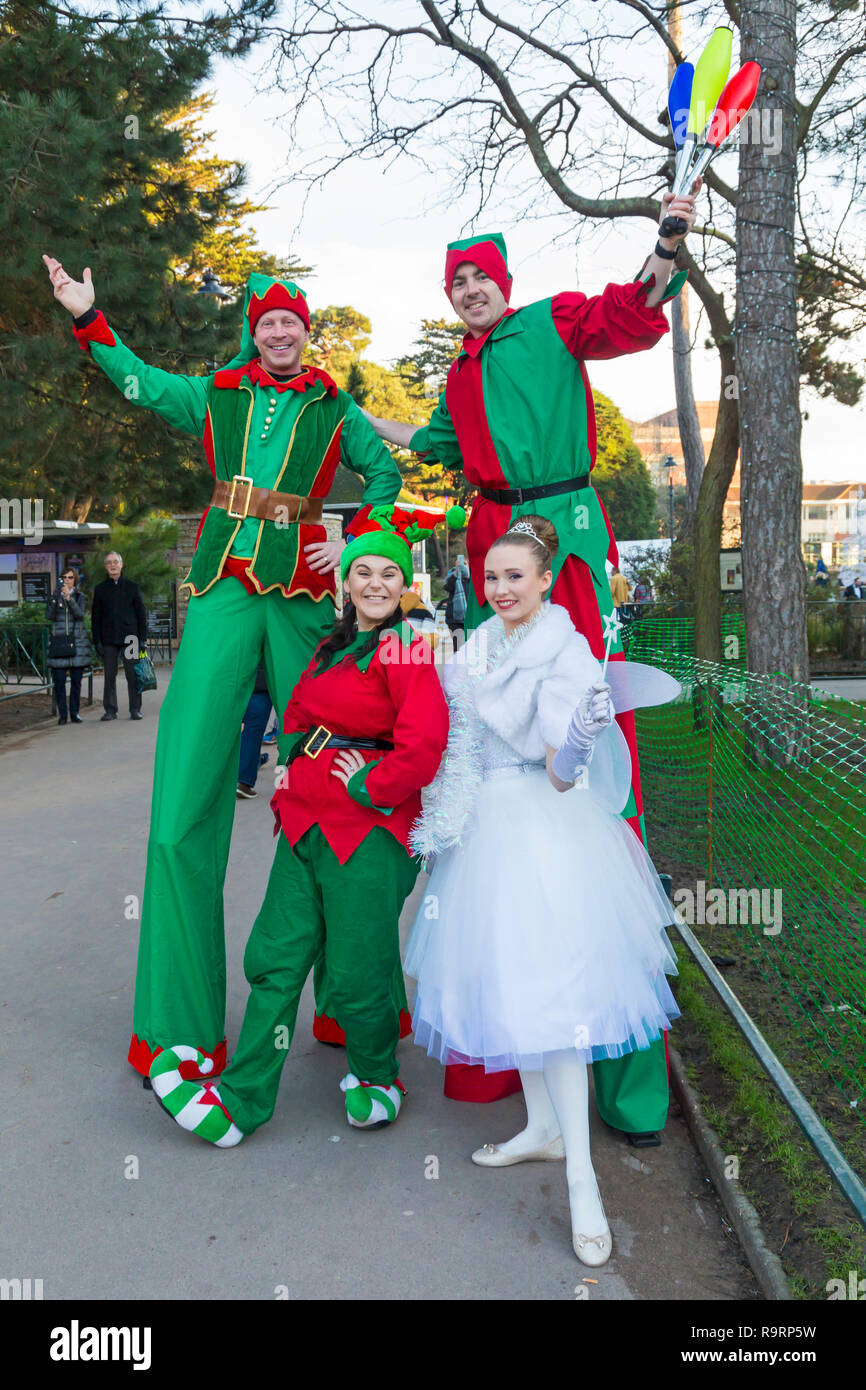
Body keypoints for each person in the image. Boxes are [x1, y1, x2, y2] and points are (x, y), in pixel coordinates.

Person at [362, 184, 698, 1129]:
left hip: (566, 548)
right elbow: (426, 441)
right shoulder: (457, 379)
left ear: (505, 284)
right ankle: (508, 1041)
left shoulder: (553, 321)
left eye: (482, 277)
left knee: (592, 755)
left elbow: (634, 313)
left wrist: (667, 239)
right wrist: (354, 420)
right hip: (493, 556)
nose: (470, 289)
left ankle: (621, 1071)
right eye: (457, 280)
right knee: (493, 755)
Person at [43, 256, 403, 1079]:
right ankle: (178, 1022)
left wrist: (357, 536)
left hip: (309, 594)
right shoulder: (216, 396)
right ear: (255, 329)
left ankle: (353, 1006)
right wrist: (89, 319)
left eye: (293, 322)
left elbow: (385, 476)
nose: (280, 332)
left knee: (342, 783)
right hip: (221, 588)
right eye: (268, 321)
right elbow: (138, 382)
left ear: (307, 333)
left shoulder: (335, 406)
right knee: (183, 798)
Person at [405, 517, 680, 1265]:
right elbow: (454, 741)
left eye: (514, 577)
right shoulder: (478, 648)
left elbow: (562, 771)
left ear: (546, 580)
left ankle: (585, 1181)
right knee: (511, 987)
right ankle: (542, 1129)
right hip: (481, 833)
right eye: (491, 577)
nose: (500, 590)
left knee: (558, 1006)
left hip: (545, 831)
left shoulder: (566, 653)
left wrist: (586, 733)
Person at [148, 505, 453, 1144]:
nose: (374, 584)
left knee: (360, 964)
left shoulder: (405, 648)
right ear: (344, 583)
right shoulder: (329, 643)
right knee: (275, 955)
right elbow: (294, 717)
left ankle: (376, 1079)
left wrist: (368, 783)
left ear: (404, 587)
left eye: (387, 575)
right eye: (361, 572)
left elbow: (424, 745)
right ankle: (242, 1101)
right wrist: (288, 780)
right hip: (307, 825)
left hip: (368, 835)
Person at [90, 552, 147, 721]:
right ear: (105, 567)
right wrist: (97, 641)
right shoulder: (100, 589)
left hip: (131, 638)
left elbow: (141, 614)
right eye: (109, 563)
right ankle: (110, 710)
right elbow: (95, 617)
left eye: (115, 562)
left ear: (121, 565)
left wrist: (142, 639)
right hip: (109, 639)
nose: (112, 565)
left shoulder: (132, 586)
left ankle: (135, 709)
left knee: (132, 674)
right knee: (109, 675)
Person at [46, 567, 91, 724]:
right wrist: (55, 598)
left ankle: (75, 712)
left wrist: (68, 598)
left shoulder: (80, 596)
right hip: (59, 643)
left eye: (70, 577)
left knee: (76, 681)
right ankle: (63, 715)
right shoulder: (54, 596)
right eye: (64, 577)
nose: (67, 580)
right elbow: (49, 615)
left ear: (75, 580)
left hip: (77, 642)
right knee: (58, 681)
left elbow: (79, 614)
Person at [237, 663, 273, 799]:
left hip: (240, 676)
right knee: (253, 731)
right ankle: (244, 781)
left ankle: (239, 778)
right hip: (263, 681)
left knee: (236, 730)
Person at [444, 552, 470, 633]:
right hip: (454, 619)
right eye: (460, 563)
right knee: (458, 643)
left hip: (469, 616)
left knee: (470, 643)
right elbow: (447, 588)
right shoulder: (451, 576)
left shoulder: (471, 578)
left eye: (465, 564)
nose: (462, 565)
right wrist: (455, 574)